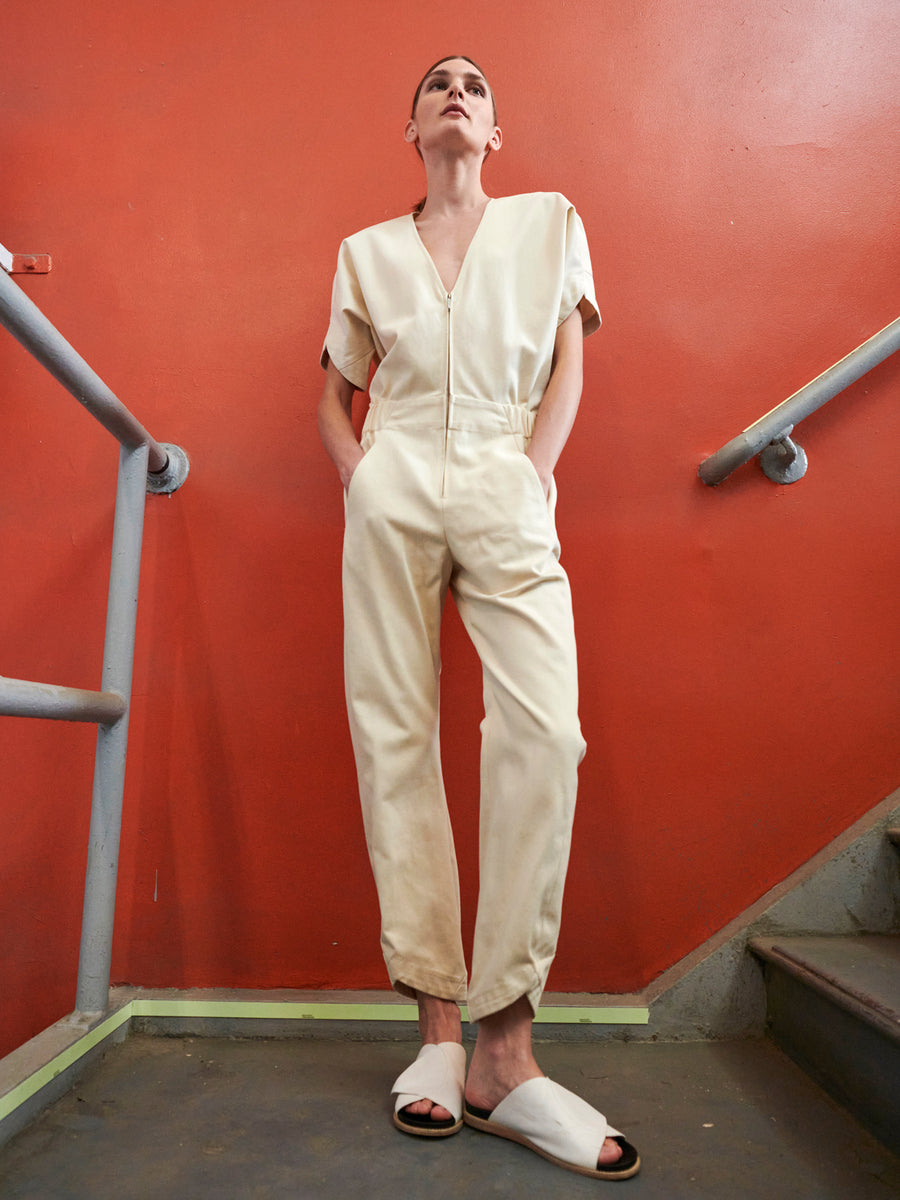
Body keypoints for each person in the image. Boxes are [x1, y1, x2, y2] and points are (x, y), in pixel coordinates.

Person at [317, 55, 640, 1182]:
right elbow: (333, 391)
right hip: (395, 472)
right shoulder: (365, 251)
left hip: (505, 471)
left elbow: (568, 366)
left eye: (476, 86)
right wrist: (362, 474)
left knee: (545, 732)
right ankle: (439, 1041)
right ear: (411, 125)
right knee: (395, 737)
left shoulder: (552, 224)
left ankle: (508, 1050)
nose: (457, 91)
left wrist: (533, 477)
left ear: (494, 132)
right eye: (436, 85)